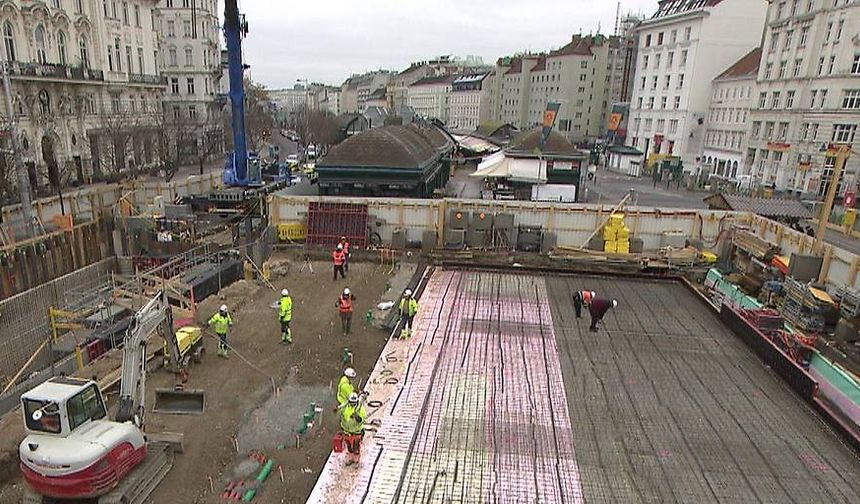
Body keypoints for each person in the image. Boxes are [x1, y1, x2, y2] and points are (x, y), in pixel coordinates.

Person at [339, 392, 367, 466]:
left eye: (354, 403)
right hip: (347, 432)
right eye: (351, 402)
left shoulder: (360, 409)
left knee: (356, 447)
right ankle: (351, 459)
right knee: (349, 447)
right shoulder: (345, 408)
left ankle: (356, 461)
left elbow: (363, 418)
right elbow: (342, 416)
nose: (352, 404)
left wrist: (357, 418)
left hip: (356, 432)